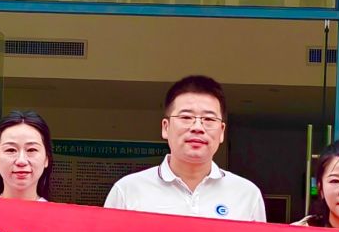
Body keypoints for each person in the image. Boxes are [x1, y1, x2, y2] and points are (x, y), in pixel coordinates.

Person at [104, 75, 266, 220]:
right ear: (166, 127)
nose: (197, 127)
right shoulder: (127, 191)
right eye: (186, 117)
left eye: (209, 119)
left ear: (222, 131)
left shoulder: (247, 195)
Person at [0, 109, 53, 201]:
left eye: (31, 150)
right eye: (11, 150)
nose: (21, 161)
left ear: (46, 159)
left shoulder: (58, 211)